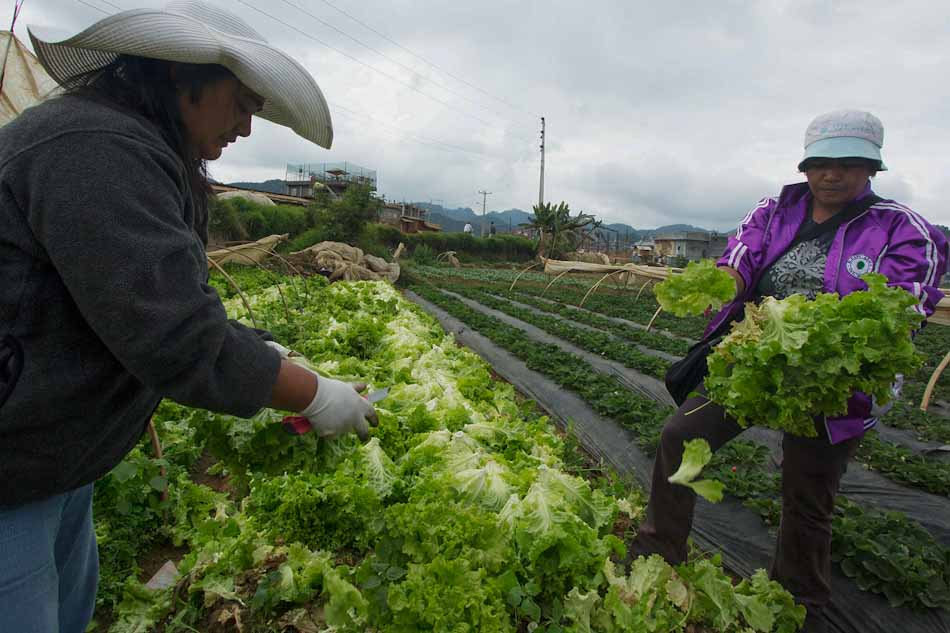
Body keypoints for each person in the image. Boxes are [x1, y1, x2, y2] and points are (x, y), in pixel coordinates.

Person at [0, 2, 378, 631]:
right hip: (10, 472)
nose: (247, 128)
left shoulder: (130, 145)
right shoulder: (93, 149)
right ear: (182, 74)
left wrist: (270, 358)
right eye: (244, 103)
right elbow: (175, 336)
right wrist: (312, 395)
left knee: (67, 608)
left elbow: (163, 299)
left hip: (52, 463)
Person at [630, 110, 948, 631]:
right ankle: (658, 550)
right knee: (682, 436)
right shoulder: (776, 209)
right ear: (805, 166)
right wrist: (726, 285)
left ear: (872, 168)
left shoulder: (902, 228)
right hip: (753, 363)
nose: (832, 174)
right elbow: (741, 257)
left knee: (807, 491)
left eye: (849, 164)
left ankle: (799, 600)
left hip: (833, 383)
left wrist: (810, 332)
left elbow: (903, 305)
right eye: (821, 163)